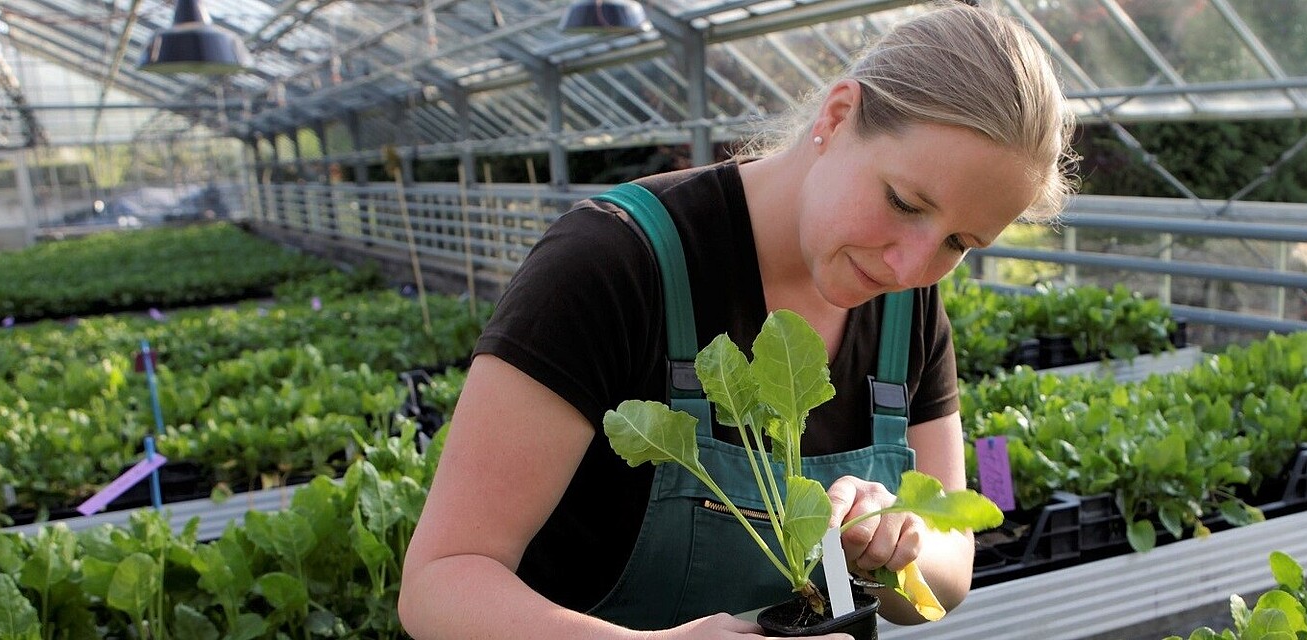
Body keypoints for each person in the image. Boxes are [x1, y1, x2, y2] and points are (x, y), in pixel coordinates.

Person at [398, 3, 1076, 637]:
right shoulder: (611, 265)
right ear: (839, 116)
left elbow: (950, 572)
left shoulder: (909, 309)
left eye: (960, 244)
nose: (908, 267)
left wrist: (895, 543)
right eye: (903, 202)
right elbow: (439, 583)